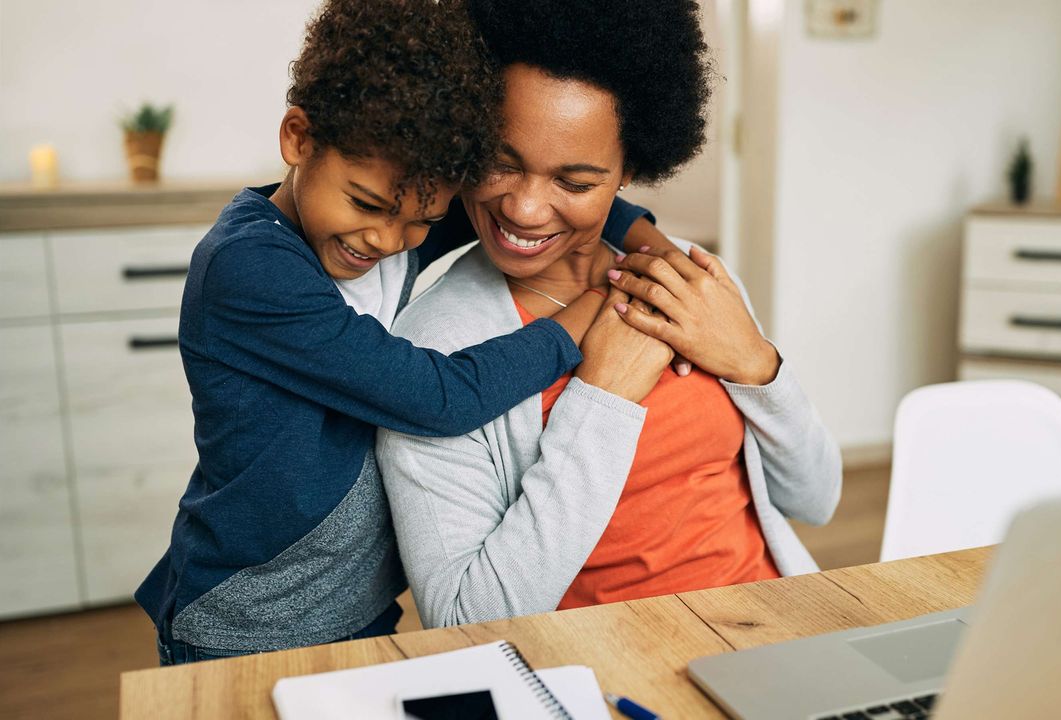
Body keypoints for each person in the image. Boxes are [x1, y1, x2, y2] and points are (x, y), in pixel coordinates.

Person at [136, 0, 663, 665]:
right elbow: (438, 398)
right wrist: (586, 313)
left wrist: (651, 243)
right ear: (298, 137)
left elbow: (541, 201)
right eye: (365, 203)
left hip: (361, 612)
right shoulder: (250, 268)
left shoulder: (401, 198)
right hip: (244, 623)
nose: (388, 240)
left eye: (422, 221)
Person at [377, 0, 841, 628]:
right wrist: (603, 397)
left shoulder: (693, 288)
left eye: (575, 182)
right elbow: (463, 620)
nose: (526, 209)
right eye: (500, 162)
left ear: (629, 172)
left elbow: (815, 500)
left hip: (779, 633)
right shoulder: (432, 355)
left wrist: (755, 364)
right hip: (611, 672)